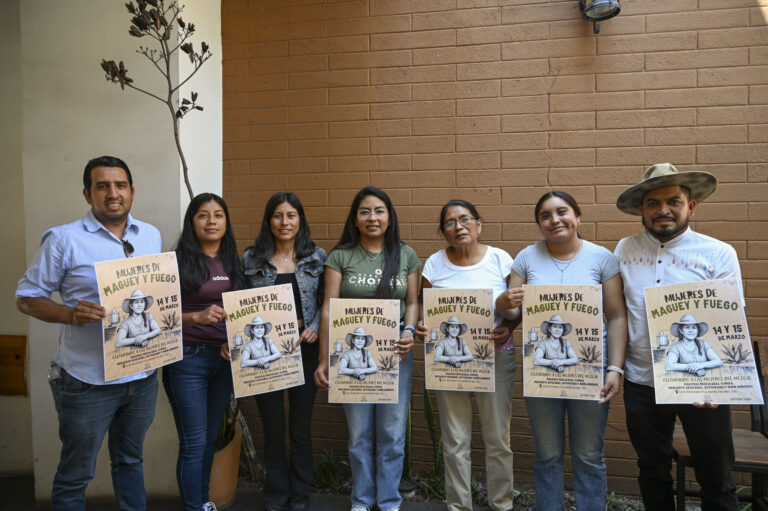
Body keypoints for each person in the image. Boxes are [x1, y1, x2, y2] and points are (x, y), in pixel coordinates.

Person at [16, 156, 162, 510]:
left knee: (130, 463)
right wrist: (70, 314)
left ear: (131, 191)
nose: (113, 193)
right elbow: (27, 298)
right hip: (87, 382)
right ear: (88, 194)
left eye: (120, 185)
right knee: (75, 475)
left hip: (141, 377)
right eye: (102, 186)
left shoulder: (151, 235)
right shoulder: (64, 240)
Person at [614, 162, 743, 510]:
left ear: (691, 206)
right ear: (642, 209)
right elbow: (617, 313)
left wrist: (720, 383)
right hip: (642, 381)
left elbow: (730, 321)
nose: (663, 210)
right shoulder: (624, 250)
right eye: (653, 203)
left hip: (702, 385)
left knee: (715, 472)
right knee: (652, 469)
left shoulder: (717, 253)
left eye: (673, 201)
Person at [497, 191, 628, 511]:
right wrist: (504, 303)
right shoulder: (526, 258)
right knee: (548, 454)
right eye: (545, 215)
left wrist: (615, 368)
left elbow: (616, 316)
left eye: (562, 212)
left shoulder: (602, 258)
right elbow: (513, 314)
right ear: (539, 224)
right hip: (541, 374)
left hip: (591, 369)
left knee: (588, 454)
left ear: (577, 216)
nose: (554, 220)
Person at [314, 186, 420, 511]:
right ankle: (361, 499)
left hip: (396, 355)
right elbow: (329, 308)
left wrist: (411, 330)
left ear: (389, 217)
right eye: (365, 211)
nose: (372, 217)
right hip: (349, 354)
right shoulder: (340, 256)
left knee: (392, 432)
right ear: (355, 219)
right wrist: (323, 359)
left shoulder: (406, 255)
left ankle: (388, 501)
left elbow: (413, 301)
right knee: (359, 434)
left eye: (379, 211)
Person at [416, 199, 518, 511]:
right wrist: (422, 325)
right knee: (455, 439)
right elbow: (424, 309)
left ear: (478, 224)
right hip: (449, 363)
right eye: (450, 222)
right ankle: (458, 506)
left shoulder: (500, 259)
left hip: (496, 356)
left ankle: (501, 502)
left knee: (497, 438)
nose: (458, 227)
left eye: (464, 219)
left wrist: (511, 326)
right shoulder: (434, 264)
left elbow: (515, 307)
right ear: (443, 231)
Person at [242, 191, 326, 511]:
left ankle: (300, 495)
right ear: (269, 221)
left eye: (291, 215)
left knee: (300, 428)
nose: (285, 222)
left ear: (300, 220)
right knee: (273, 427)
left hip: (304, 349)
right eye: (278, 215)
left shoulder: (317, 257)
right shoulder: (252, 259)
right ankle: (276, 494)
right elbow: (241, 304)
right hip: (267, 353)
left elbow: (326, 302)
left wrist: (315, 326)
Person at [163, 193, 244, 511]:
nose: (212, 221)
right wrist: (194, 317)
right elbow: (155, 315)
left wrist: (231, 339)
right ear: (191, 221)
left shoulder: (233, 261)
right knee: (194, 442)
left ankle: (200, 502)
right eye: (203, 215)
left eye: (219, 215)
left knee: (209, 438)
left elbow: (239, 310)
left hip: (222, 362)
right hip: (187, 359)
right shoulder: (175, 262)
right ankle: (194, 506)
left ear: (226, 222)